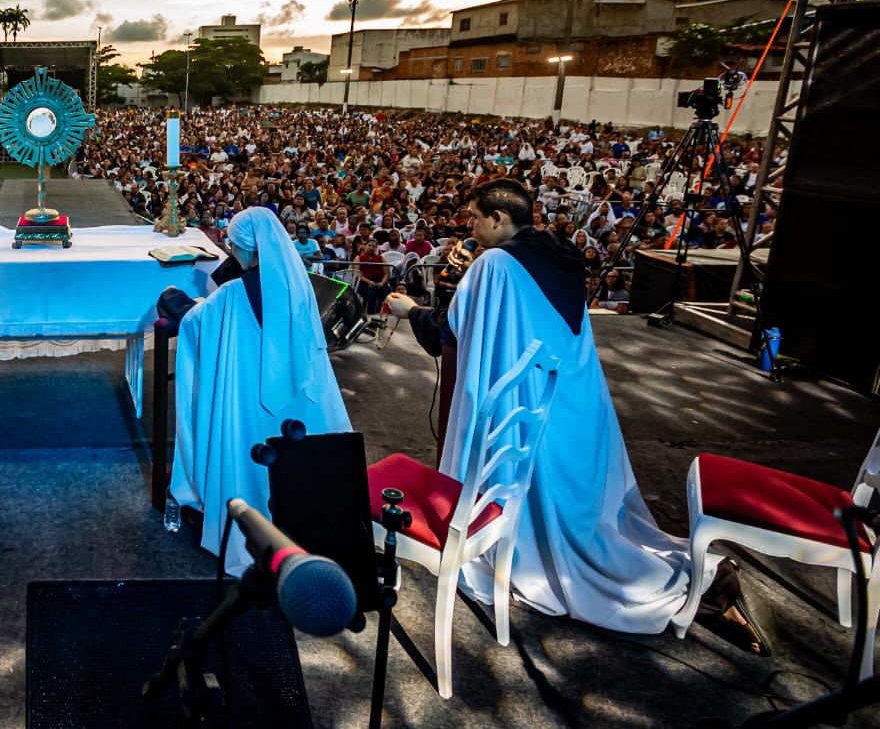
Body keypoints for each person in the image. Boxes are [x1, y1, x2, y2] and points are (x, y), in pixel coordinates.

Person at [385, 179, 763, 650]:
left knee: (548, 510)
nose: (471, 228)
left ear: (499, 219)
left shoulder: (495, 265)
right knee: (576, 505)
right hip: (569, 396)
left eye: (476, 218)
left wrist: (411, 310)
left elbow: (455, 329)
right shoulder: (559, 252)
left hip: (526, 398)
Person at [165, 206, 352, 573]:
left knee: (249, 455)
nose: (230, 249)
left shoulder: (234, 294)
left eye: (233, 243)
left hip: (248, 399)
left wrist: (173, 298)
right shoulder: (299, 284)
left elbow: (195, 325)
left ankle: (250, 527)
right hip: (298, 402)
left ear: (246, 247)